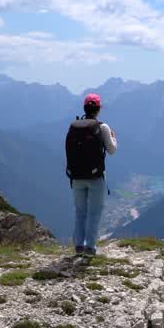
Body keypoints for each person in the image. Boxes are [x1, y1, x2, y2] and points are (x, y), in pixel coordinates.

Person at [65, 93, 117, 256]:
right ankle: (90, 248)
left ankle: (78, 246)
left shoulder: (74, 127)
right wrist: (113, 138)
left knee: (80, 212)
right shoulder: (103, 127)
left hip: (76, 177)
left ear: (84, 108)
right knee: (94, 213)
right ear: (99, 109)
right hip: (95, 178)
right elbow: (111, 150)